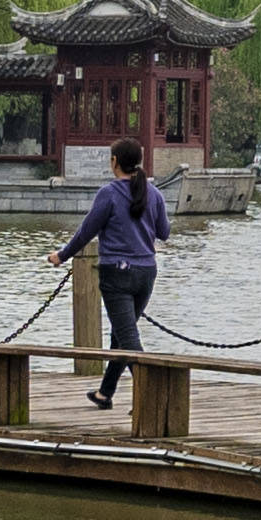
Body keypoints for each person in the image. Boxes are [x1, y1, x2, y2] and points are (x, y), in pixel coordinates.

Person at [57, 137, 171, 368]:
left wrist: (62, 255)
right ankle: (105, 392)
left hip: (117, 274)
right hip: (147, 271)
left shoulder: (109, 193)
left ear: (114, 161)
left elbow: (86, 232)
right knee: (121, 335)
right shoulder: (154, 194)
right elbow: (164, 232)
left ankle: (151, 393)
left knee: (128, 338)